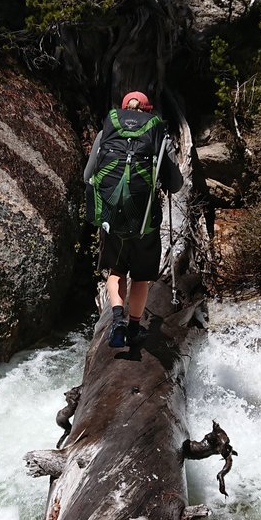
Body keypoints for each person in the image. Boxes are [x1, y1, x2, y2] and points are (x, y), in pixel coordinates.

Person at [84, 91, 183, 348]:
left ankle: (117, 318)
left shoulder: (107, 132)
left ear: (124, 109)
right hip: (144, 222)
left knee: (116, 271)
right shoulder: (157, 134)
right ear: (148, 111)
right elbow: (175, 184)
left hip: (112, 221)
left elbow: (88, 176)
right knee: (140, 277)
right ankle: (135, 327)